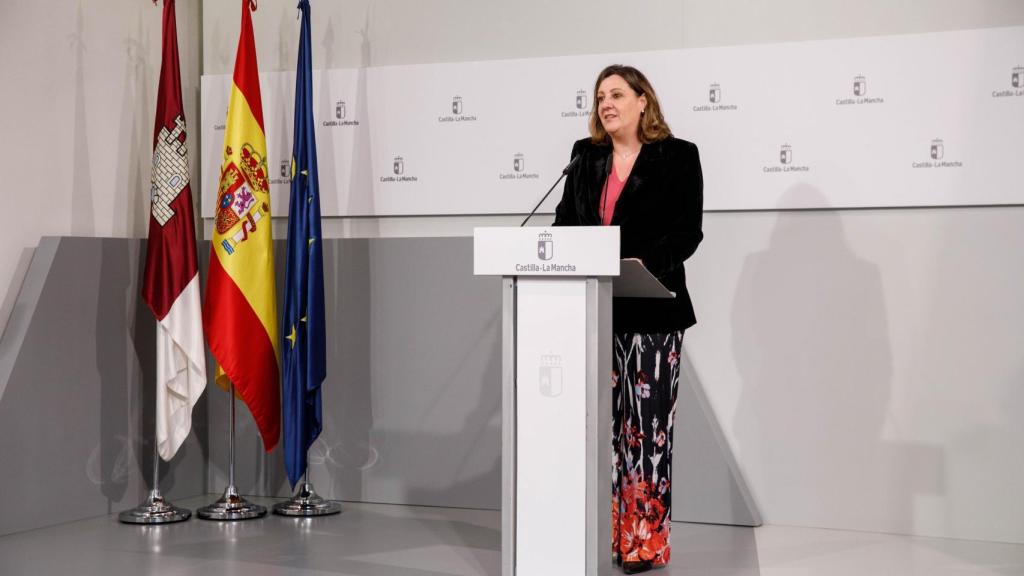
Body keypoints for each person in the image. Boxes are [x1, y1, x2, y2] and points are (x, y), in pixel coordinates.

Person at [553, 64, 703, 574]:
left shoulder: (679, 156)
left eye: (616, 94)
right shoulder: (585, 157)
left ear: (644, 101)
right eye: (599, 98)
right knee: (611, 432)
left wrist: (638, 267)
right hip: (595, 313)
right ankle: (613, 538)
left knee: (647, 430)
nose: (606, 104)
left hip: (653, 311)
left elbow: (688, 232)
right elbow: (563, 224)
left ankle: (644, 544)